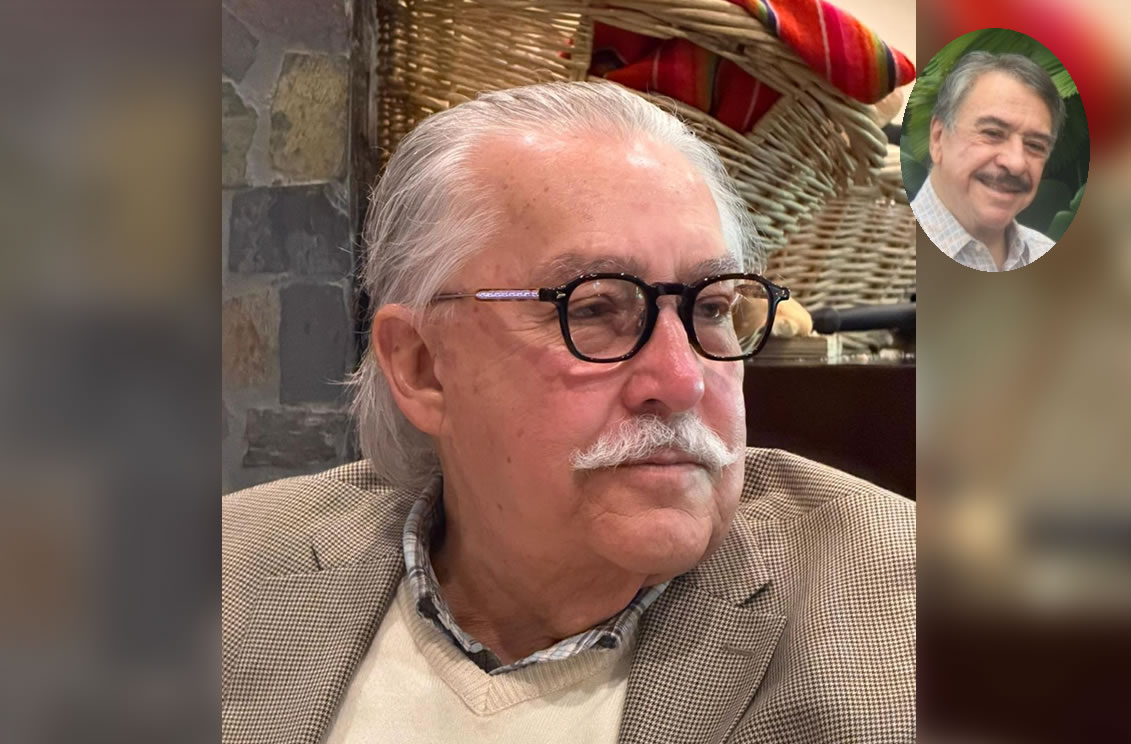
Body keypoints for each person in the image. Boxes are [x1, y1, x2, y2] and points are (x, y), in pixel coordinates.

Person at [222, 81, 915, 743]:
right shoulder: (224, 572)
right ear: (424, 367)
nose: (682, 382)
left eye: (709, 309)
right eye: (593, 310)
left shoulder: (905, 606)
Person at [912, 51, 1066, 272]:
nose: (1016, 163)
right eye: (993, 133)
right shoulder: (879, 252)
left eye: (1035, 145)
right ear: (938, 138)